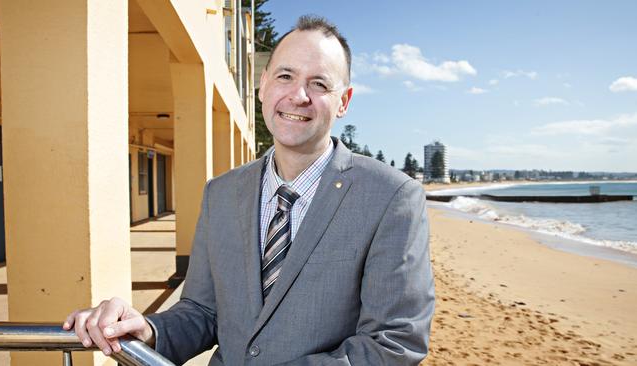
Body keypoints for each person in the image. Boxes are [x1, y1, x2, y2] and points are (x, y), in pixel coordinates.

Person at [64, 15, 435, 365]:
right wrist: (145, 329)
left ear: (344, 102)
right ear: (262, 86)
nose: (299, 95)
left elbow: (393, 342)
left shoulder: (391, 197)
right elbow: (203, 313)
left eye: (319, 83)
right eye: (285, 76)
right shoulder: (221, 194)